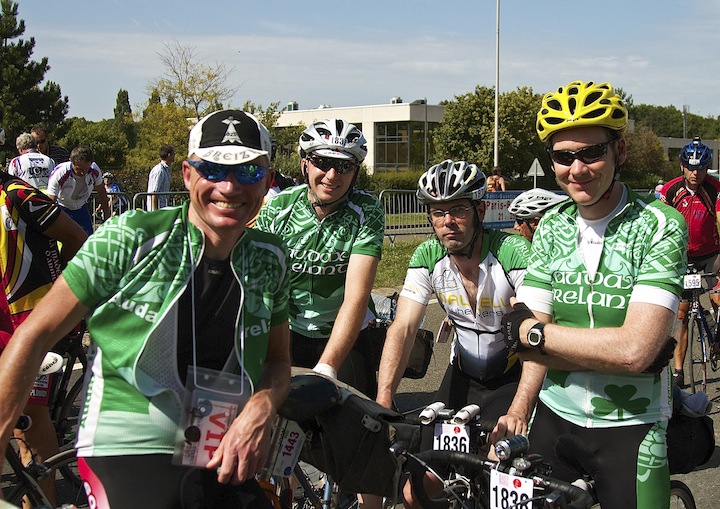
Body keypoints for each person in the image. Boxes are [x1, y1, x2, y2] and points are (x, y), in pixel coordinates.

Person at [0, 109, 291, 509]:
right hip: (127, 444)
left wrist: (262, 405)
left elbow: (277, 360)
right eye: (213, 169)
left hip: (217, 447)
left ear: (269, 182)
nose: (229, 186)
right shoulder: (130, 238)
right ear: (187, 175)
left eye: (248, 172)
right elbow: (32, 336)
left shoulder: (271, 257)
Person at [502, 80, 687, 508]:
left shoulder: (660, 225)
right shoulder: (551, 226)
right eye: (564, 156)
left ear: (618, 152)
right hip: (553, 414)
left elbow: (635, 352)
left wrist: (536, 336)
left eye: (591, 152)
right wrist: (517, 409)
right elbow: (522, 332)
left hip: (631, 425)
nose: (577, 169)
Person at [375, 159, 535, 508]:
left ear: (480, 209)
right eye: (437, 212)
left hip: (511, 379)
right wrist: (385, 397)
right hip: (462, 378)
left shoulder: (511, 251)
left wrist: (521, 407)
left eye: (458, 209)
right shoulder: (428, 255)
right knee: (415, 492)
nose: (448, 222)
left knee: (498, 480)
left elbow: (536, 330)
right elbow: (403, 327)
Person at [255, 119, 383, 509]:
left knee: (363, 441)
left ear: (355, 172)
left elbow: (355, 297)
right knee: (274, 431)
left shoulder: (366, 211)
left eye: (344, 166)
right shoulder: (278, 207)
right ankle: (284, 493)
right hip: (289, 332)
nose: (332, 175)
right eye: (323, 163)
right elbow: (257, 283)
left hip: (345, 334)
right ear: (305, 164)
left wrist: (328, 367)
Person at [0, 163, 87, 507]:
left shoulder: (19, 195)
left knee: (28, 423)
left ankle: (41, 501)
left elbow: (78, 239)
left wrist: (59, 288)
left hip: (29, 318)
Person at [659, 137, 720, 388]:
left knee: (718, 296)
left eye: (701, 168)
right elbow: (660, 223)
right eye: (691, 167)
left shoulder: (715, 188)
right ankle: (678, 370)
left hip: (712, 253)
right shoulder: (670, 190)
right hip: (682, 255)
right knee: (682, 314)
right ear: (682, 167)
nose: (696, 173)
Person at [46, 145, 110, 236]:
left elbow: (102, 193)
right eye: (79, 169)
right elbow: (51, 199)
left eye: (86, 169)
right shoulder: (60, 173)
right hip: (62, 207)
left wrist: (107, 216)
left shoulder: (94, 169)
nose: (83, 173)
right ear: (71, 162)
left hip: (81, 207)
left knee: (87, 239)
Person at [147, 143, 175, 210]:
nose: (174, 156)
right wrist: (155, 212)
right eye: (174, 154)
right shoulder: (159, 171)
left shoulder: (166, 170)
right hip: (158, 210)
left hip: (163, 208)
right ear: (169, 155)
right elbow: (154, 192)